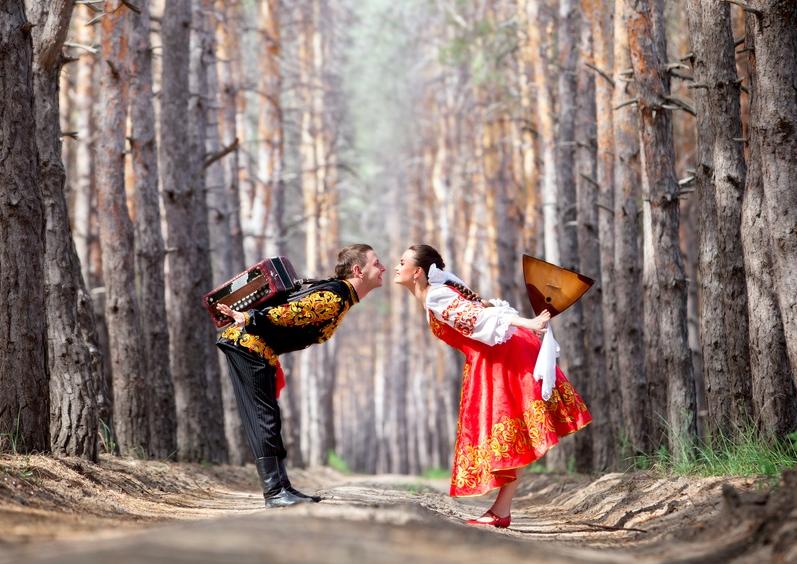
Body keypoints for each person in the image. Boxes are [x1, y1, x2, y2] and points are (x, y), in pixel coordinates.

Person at [394, 244, 591, 528]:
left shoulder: (436, 295)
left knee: (509, 428)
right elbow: (481, 309)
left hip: (505, 356)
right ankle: (501, 510)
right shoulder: (436, 293)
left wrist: (529, 322)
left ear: (418, 273)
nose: (397, 267)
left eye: (403, 262)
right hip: (496, 356)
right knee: (510, 431)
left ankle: (501, 511)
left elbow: (480, 318)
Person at [216, 244, 385, 508]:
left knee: (268, 417)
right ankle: (274, 493)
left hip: (252, 346)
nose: (382, 267)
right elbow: (292, 313)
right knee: (264, 418)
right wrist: (249, 318)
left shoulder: (341, 294)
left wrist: (250, 319)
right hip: (248, 344)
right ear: (358, 271)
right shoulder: (336, 296)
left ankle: (282, 488)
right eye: (376, 263)